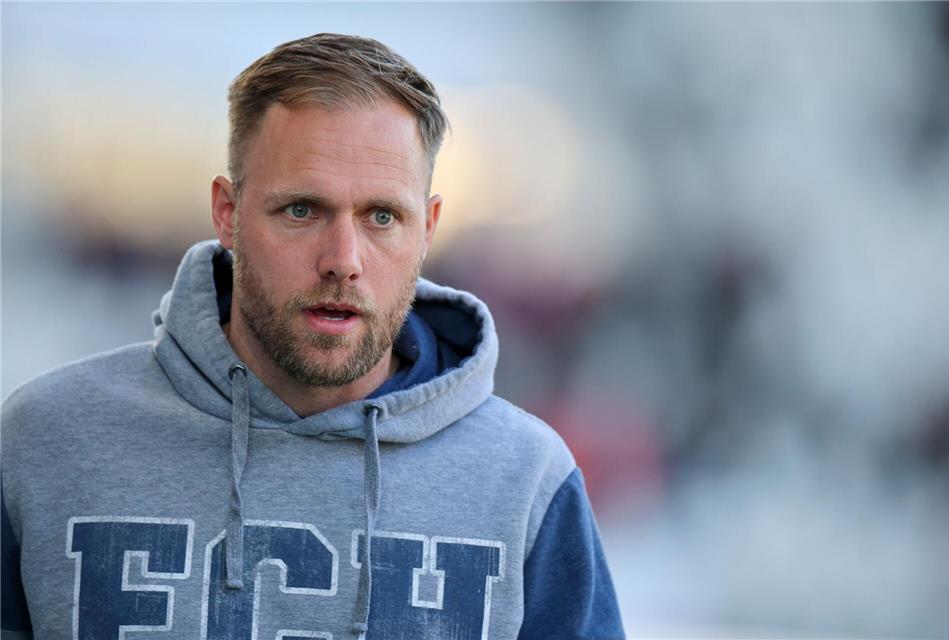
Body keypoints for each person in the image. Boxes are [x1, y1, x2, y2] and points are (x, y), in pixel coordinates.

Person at [1, 33, 624, 639]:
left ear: (428, 227)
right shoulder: (45, 444)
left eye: (382, 217)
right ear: (228, 213)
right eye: (302, 210)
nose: (343, 259)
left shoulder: (525, 480)